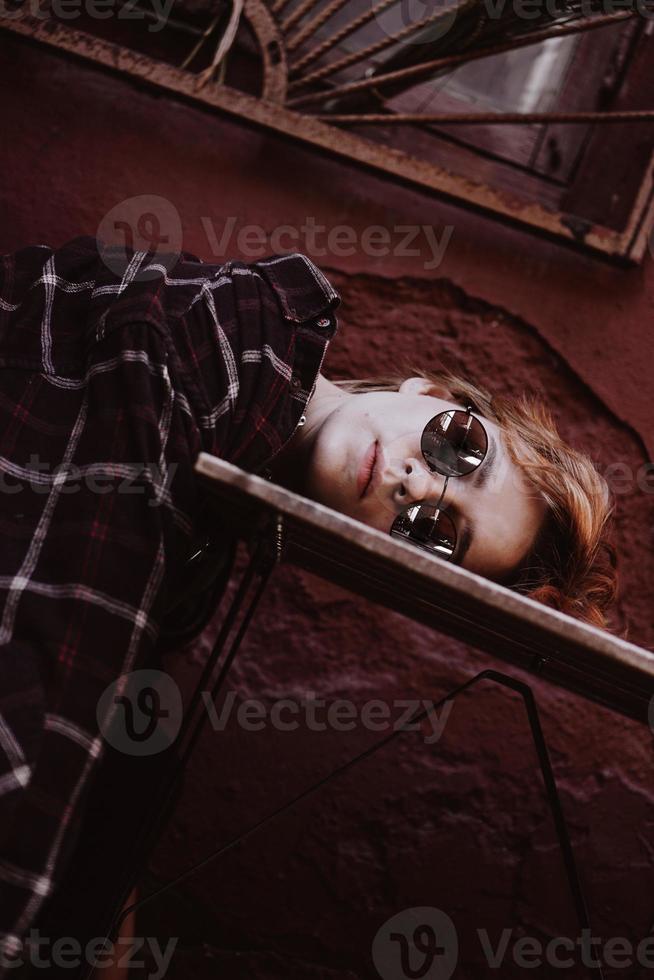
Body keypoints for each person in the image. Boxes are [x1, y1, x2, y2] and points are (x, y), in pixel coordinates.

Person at [0, 236, 616, 976]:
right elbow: (62, 660)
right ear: (429, 393)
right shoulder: (226, 339)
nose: (420, 486)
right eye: (460, 448)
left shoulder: (217, 517)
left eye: (435, 535)